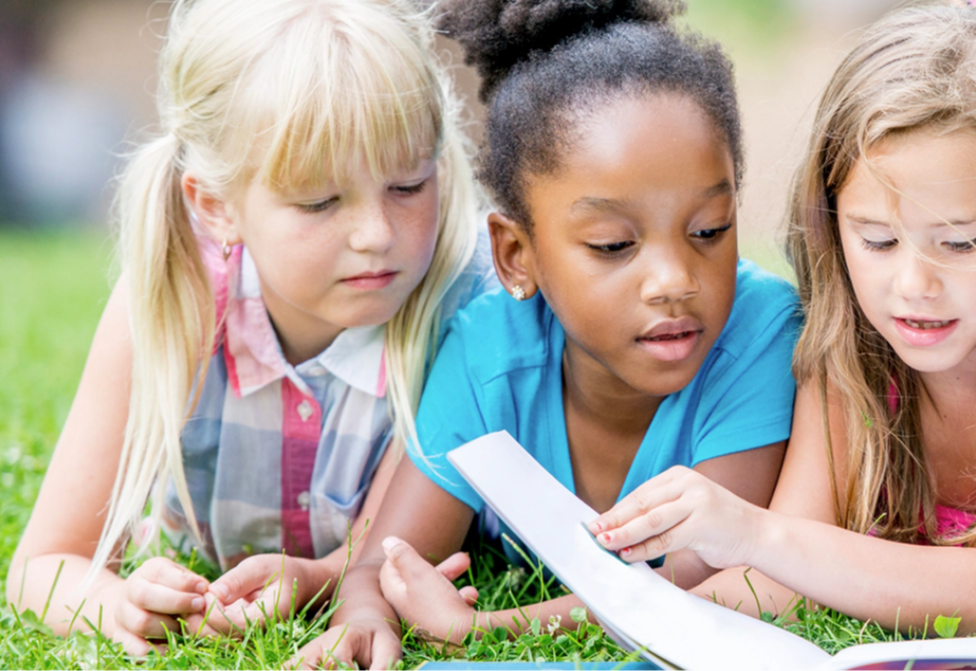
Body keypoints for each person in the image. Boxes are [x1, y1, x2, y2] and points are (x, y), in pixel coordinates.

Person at [587, 3, 976, 636]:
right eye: (878, 241)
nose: (914, 286)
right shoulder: (852, 348)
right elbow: (783, 577)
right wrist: (547, 618)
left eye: (960, 243)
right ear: (835, 222)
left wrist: (755, 532)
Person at [292, 1, 801, 667]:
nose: (675, 279)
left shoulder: (759, 334)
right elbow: (387, 558)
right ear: (515, 255)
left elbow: (691, 578)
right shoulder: (487, 351)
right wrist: (363, 613)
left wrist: (489, 629)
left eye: (708, 230)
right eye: (614, 244)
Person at [4, 0, 490, 656]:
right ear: (215, 205)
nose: (377, 235)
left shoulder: (460, 311)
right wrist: (115, 604)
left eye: (407, 185)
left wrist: (325, 584)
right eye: (319, 201)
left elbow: (372, 564)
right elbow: (46, 564)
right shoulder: (170, 303)